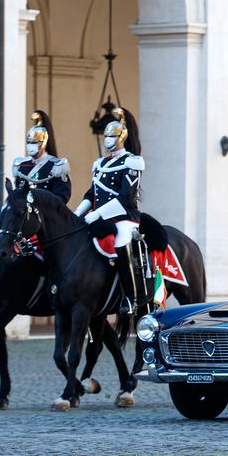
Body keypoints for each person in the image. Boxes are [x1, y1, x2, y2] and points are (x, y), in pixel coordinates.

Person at [73, 107, 145, 315]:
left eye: (111, 136)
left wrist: (96, 214)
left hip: (124, 217)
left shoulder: (131, 161)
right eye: (105, 136)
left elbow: (126, 197)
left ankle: (131, 299)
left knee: (122, 242)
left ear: (122, 137)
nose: (107, 140)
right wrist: (78, 213)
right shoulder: (100, 163)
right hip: (99, 217)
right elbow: (92, 192)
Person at [13, 110, 71, 204]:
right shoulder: (21, 164)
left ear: (43, 143)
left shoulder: (57, 166)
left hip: (46, 214)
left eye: (34, 142)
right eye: (29, 142)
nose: (31, 145)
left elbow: (62, 197)